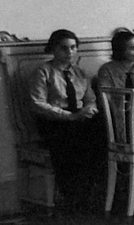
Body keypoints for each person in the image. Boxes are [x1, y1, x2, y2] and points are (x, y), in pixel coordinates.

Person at [27, 29, 102, 212]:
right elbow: (38, 104)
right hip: (54, 121)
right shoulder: (43, 71)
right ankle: (73, 195)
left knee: (103, 130)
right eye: (64, 48)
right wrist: (69, 116)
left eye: (73, 47)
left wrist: (89, 110)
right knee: (72, 139)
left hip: (78, 117)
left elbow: (90, 99)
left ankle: (97, 191)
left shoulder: (79, 72)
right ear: (53, 49)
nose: (70, 52)